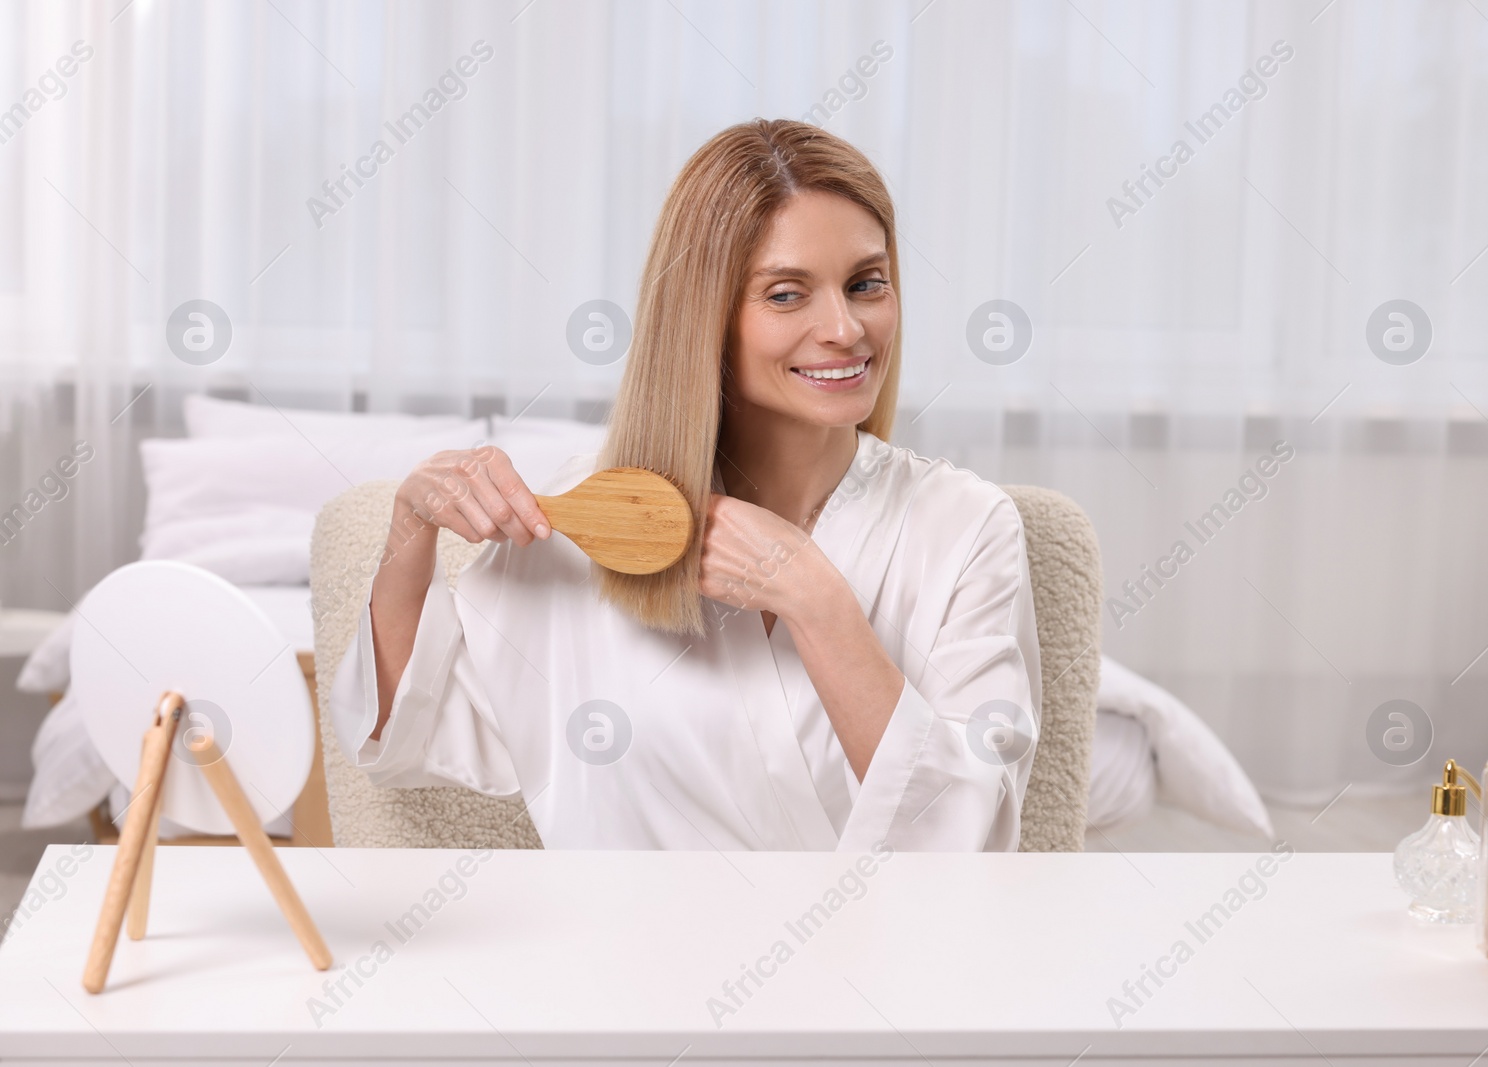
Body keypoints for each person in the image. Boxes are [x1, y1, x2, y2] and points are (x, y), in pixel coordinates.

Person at [329, 118, 1040, 850]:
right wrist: (410, 533)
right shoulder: (604, 521)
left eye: (866, 284)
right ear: (704, 318)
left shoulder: (967, 526)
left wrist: (816, 599)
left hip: (875, 958)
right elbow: (405, 735)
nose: (845, 328)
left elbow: (970, 843)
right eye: (787, 294)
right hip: (621, 957)